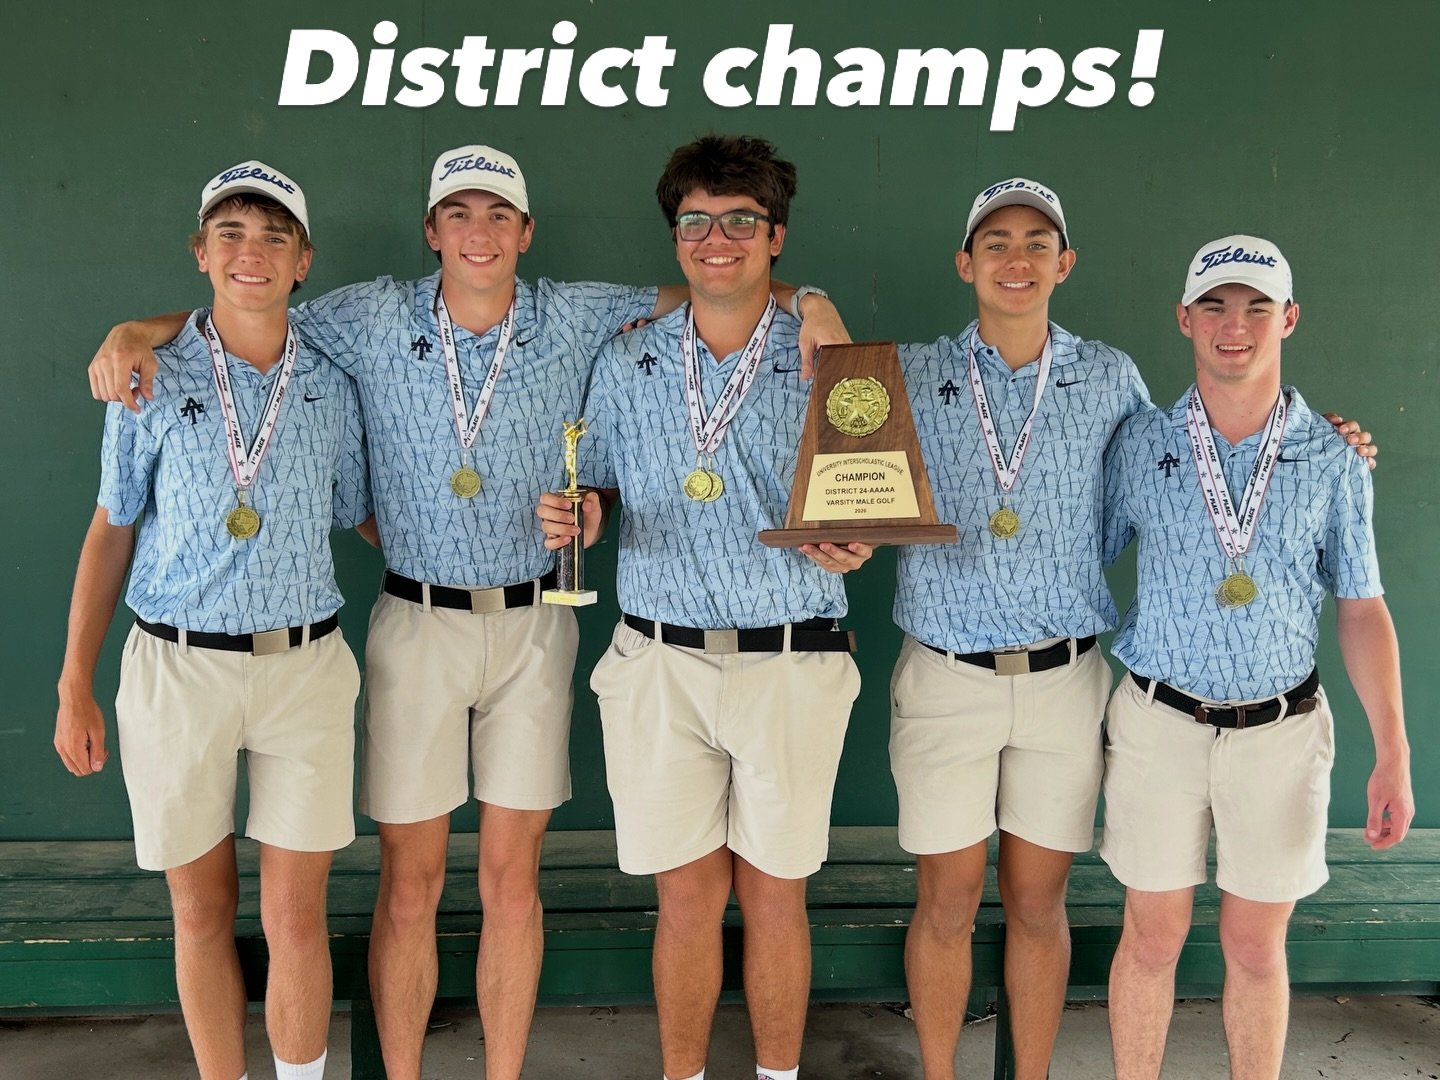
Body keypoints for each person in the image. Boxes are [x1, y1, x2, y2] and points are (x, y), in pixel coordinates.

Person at [84, 144, 847, 1080]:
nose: (477, 232)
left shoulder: (577, 314)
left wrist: (810, 302)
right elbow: (244, 306)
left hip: (535, 625)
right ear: (430, 230)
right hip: (415, 624)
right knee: (411, 886)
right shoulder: (364, 318)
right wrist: (135, 328)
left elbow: (711, 290)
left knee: (509, 884)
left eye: (497, 215)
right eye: (457, 213)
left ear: (526, 232)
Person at [888, 181, 1376, 1080]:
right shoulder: (909, 372)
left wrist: (1326, 441)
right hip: (943, 672)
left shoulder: (1112, 377)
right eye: (996, 243)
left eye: (1039, 242)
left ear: (1064, 263)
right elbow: (851, 478)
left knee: (1039, 903)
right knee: (945, 900)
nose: (1017, 259)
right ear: (966, 263)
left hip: (1066, 679)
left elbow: (1196, 456)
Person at [537, 134, 870, 1080]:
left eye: (738, 221)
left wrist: (862, 540)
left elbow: (866, 502)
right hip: (659, 661)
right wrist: (584, 514)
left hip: (792, 659)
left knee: (775, 898)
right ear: (675, 234)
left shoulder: (828, 356)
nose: (715, 238)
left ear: (775, 235)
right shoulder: (626, 361)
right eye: (695, 221)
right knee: (683, 901)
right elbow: (597, 484)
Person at [54, 161, 369, 1080]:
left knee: (295, 915)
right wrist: (76, 680)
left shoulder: (334, 381)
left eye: (275, 236)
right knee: (198, 911)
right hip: (176, 667)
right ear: (200, 253)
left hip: (304, 665)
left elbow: (361, 509)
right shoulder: (147, 376)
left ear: (304, 260)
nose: (251, 253)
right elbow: (110, 532)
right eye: (230, 234)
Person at [1099, 235, 1412, 1080]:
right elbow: (1073, 555)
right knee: (1152, 935)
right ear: (1184, 318)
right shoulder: (1138, 444)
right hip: (1159, 721)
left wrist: (1394, 753)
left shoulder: (1334, 457)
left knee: (1255, 945)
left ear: (1290, 319)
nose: (1234, 325)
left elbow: (1362, 605)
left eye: (1256, 306)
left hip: (1282, 729)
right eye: (1214, 305)